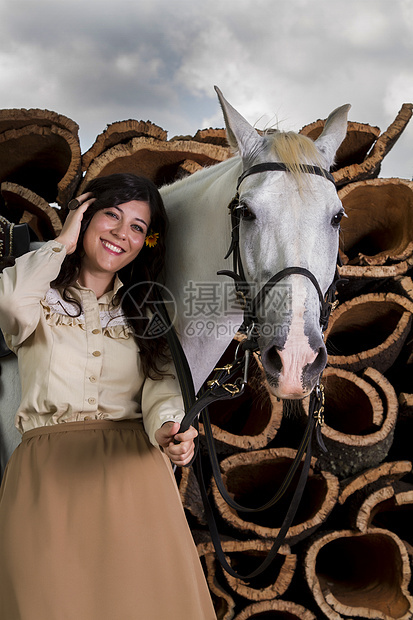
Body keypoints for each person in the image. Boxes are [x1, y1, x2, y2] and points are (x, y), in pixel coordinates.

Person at [0, 173, 216, 620]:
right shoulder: (37, 295)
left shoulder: (149, 309)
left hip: (134, 479)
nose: (122, 233)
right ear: (85, 217)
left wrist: (170, 429)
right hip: (48, 480)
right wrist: (63, 241)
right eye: (111, 215)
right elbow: (8, 303)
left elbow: (162, 385)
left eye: (138, 226)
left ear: (147, 242)